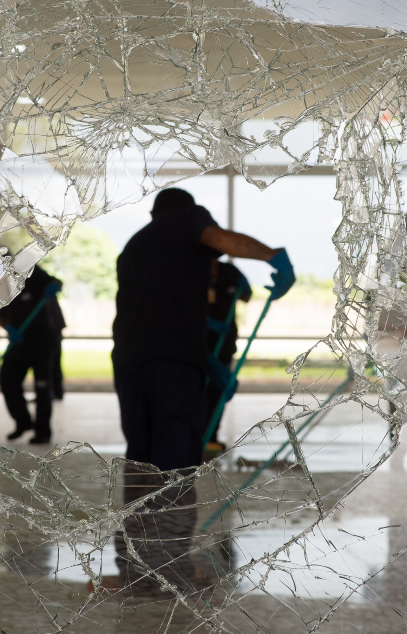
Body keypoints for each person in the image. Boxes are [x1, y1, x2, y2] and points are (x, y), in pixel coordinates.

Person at [112, 187, 294, 595]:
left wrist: (207, 362)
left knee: (141, 466)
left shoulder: (133, 247)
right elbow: (221, 240)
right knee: (176, 467)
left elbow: (154, 311)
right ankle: (172, 572)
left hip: (130, 365)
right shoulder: (187, 221)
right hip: (172, 368)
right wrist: (272, 256)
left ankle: (135, 567)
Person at [0, 266, 63, 445]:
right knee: (7, 380)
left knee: (42, 388)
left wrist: (54, 287)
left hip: (42, 342)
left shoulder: (30, 270)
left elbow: (56, 282)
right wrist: (7, 327)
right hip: (19, 342)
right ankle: (23, 421)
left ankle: (43, 431)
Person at [202, 257, 251, 455]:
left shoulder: (230, 272)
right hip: (197, 344)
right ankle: (194, 434)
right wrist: (205, 322)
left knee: (217, 391)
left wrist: (245, 289)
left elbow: (246, 297)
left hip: (224, 343)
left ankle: (211, 436)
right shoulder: (192, 268)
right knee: (196, 391)